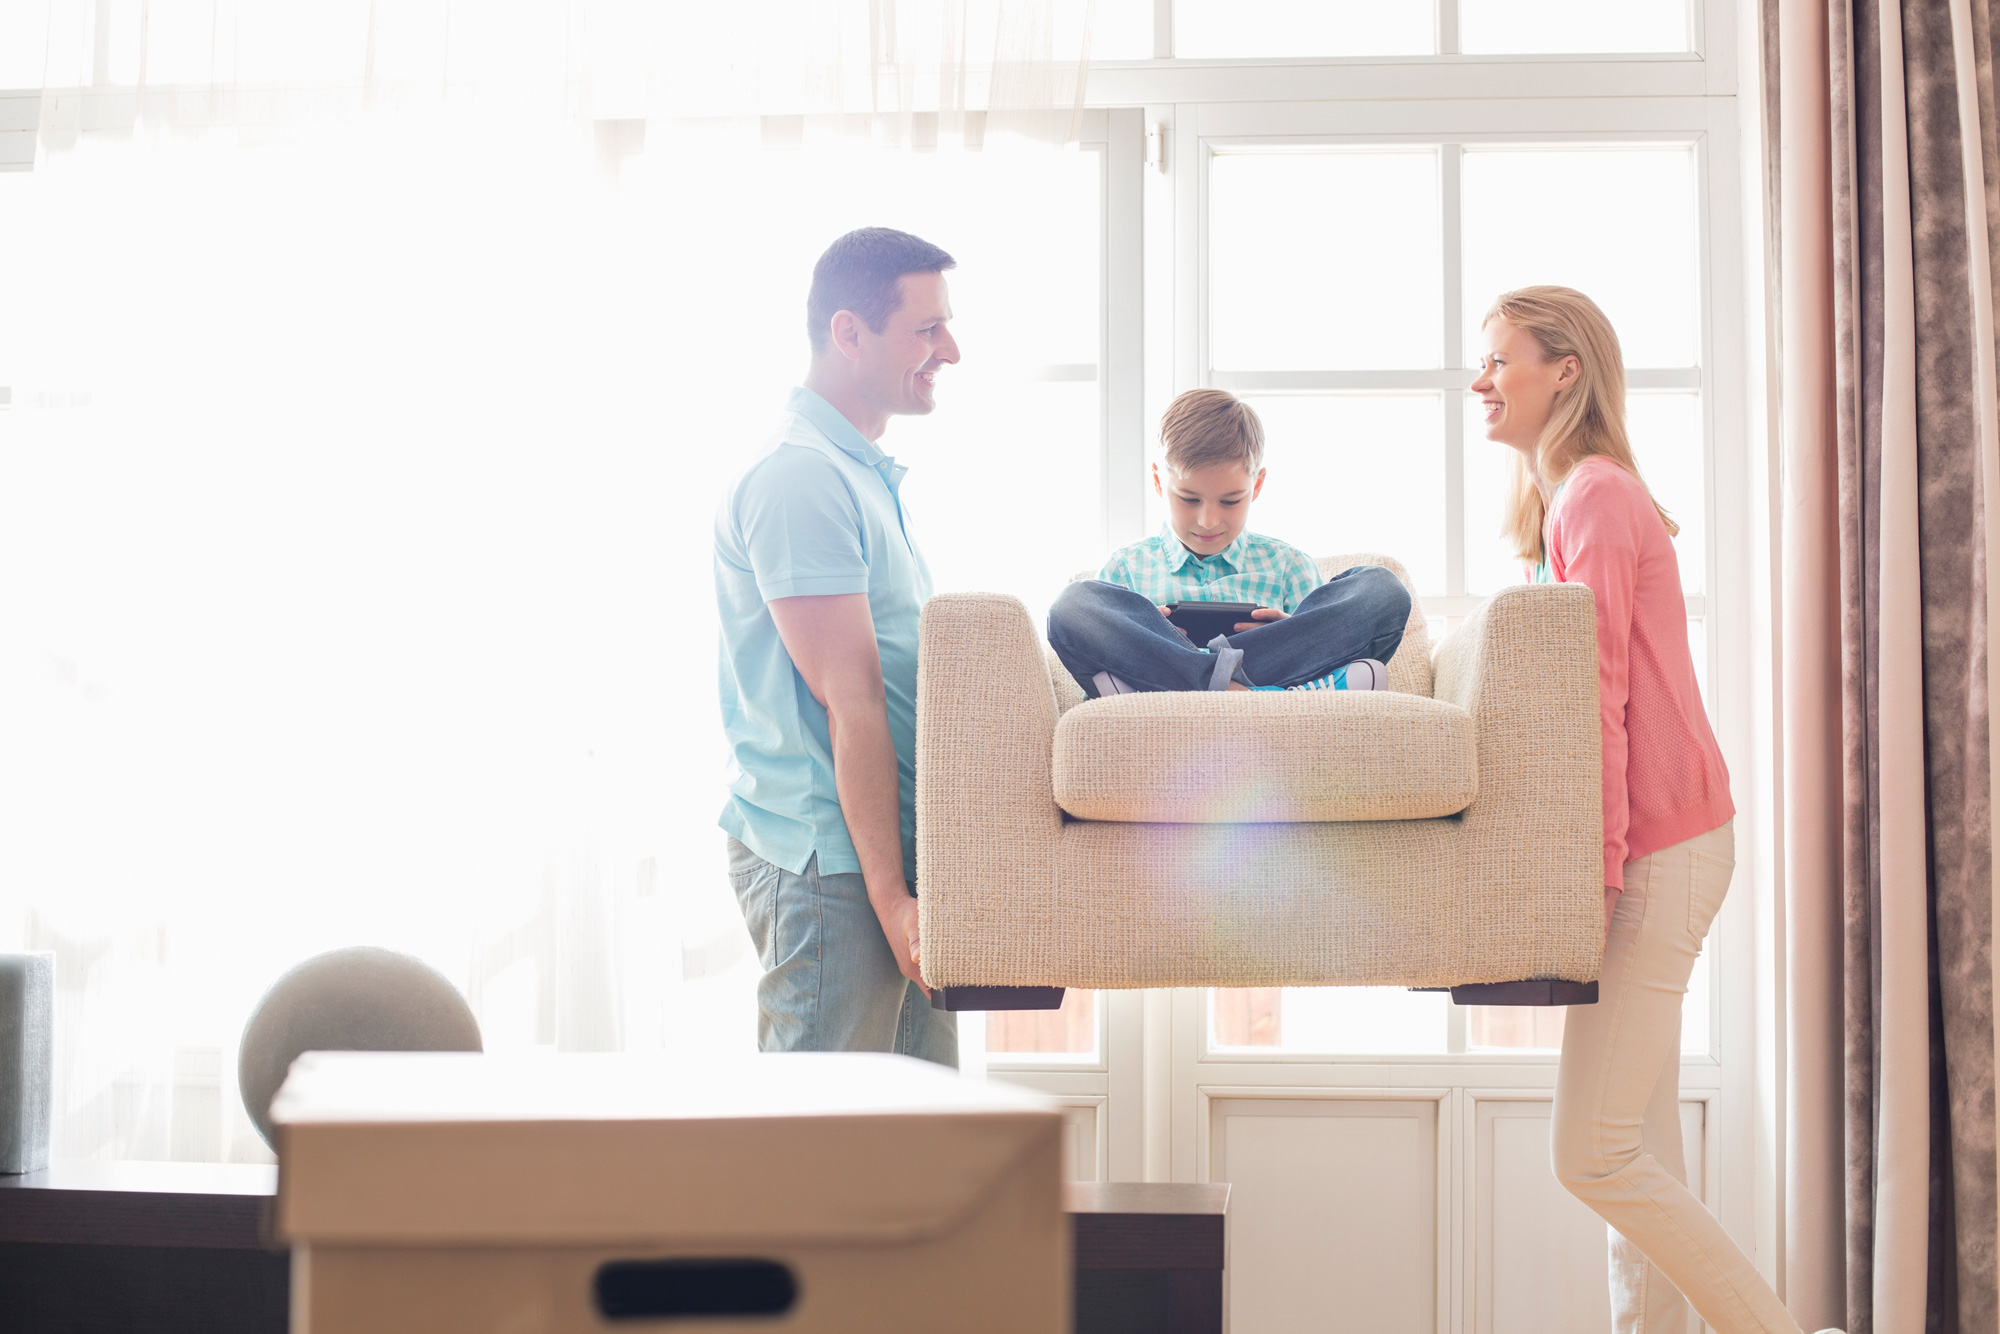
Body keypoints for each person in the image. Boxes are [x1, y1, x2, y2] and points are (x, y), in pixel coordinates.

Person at [1473, 286, 1840, 1334]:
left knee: (1586, 1151)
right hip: (1668, 842)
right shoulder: (1570, 503)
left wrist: (1585, 878)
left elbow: (1597, 699)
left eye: (1499, 359)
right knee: (1633, 1141)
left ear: (1564, 372)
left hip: (1661, 850)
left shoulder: (1591, 492)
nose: (1480, 380)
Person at [712, 227, 960, 1067]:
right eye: (927, 329)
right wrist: (892, 902)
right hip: (837, 872)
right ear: (849, 332)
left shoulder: (859, 474)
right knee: (813, 1172)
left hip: (886, 863)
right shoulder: (802, 479)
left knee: (917, 1160)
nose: (950, 350)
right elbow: (848, 699)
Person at [1046, 388, 1410, 698]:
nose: (1208, 520)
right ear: (1160, 482)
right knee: (1073, 605)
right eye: (1189, 499)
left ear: (1257, 486)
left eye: (1230, 501)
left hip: (1253, 674)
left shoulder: (1289, 565)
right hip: (1193, 683)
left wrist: (1288, 630)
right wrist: (1148, 633)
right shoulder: (1126, 567)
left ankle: (1199, 690)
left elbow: (1318, 646)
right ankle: (1242, 694)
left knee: (1382, 588)